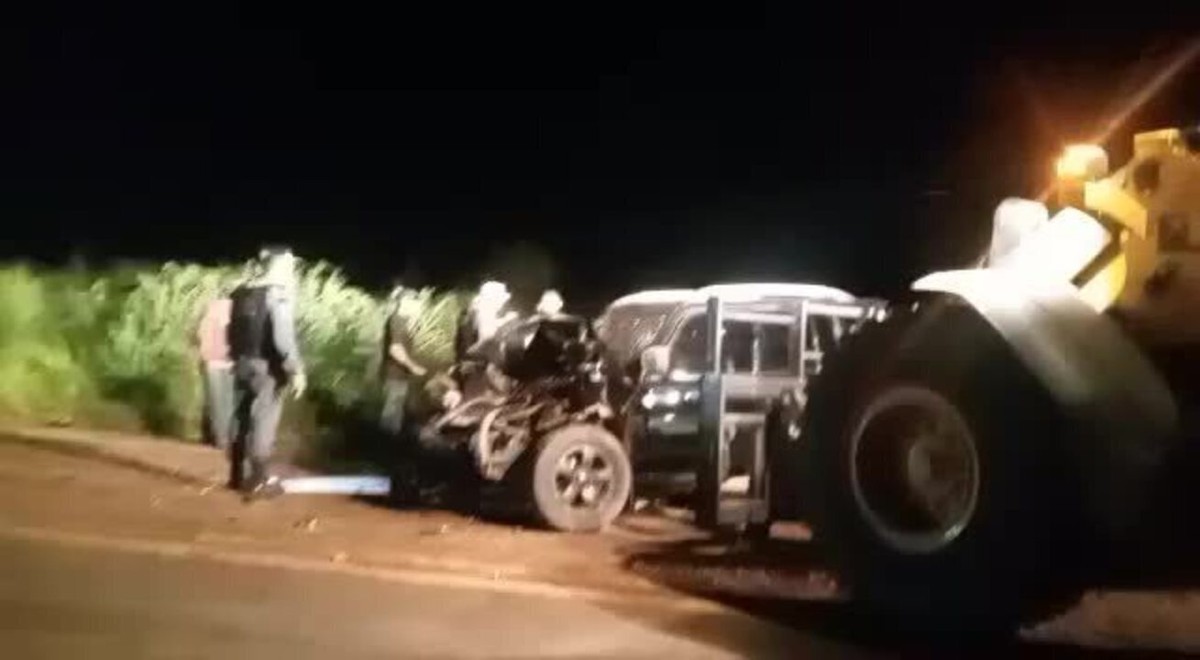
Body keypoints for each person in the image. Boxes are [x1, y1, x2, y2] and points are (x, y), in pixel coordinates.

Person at [226, 247, 307, 501]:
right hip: (266, 367)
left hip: (241, 363)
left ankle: (237, 474)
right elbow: (282, 337)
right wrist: (295, 368)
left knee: (241, 418)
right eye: (290, 265)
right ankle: (258, 480)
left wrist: (236, 357)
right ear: (282, 266)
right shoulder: (277, 293)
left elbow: (231, 330)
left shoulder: (241, 292)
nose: (293, 270)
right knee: (264, 419)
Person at [379, 287, 428, 439]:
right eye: (415, 302)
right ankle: (385, 445)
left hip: (400, 374)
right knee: (392, 413)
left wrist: (414, 318)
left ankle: (389, 444)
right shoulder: (397, 320)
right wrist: (413, 367)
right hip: (394, 374)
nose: (417, 306)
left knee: (397, 411)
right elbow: (395, 349)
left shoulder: (403, 319)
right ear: (405, 302)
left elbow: (414, 332)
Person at [196, 294, 234, 450]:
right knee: (229, 402)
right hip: (231, 362)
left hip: (212, 362)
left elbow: (200, 335)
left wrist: (204, 355)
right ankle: (229, 438)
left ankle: (221, 439)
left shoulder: (210, 311)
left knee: (216, 403)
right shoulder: (235, 310)